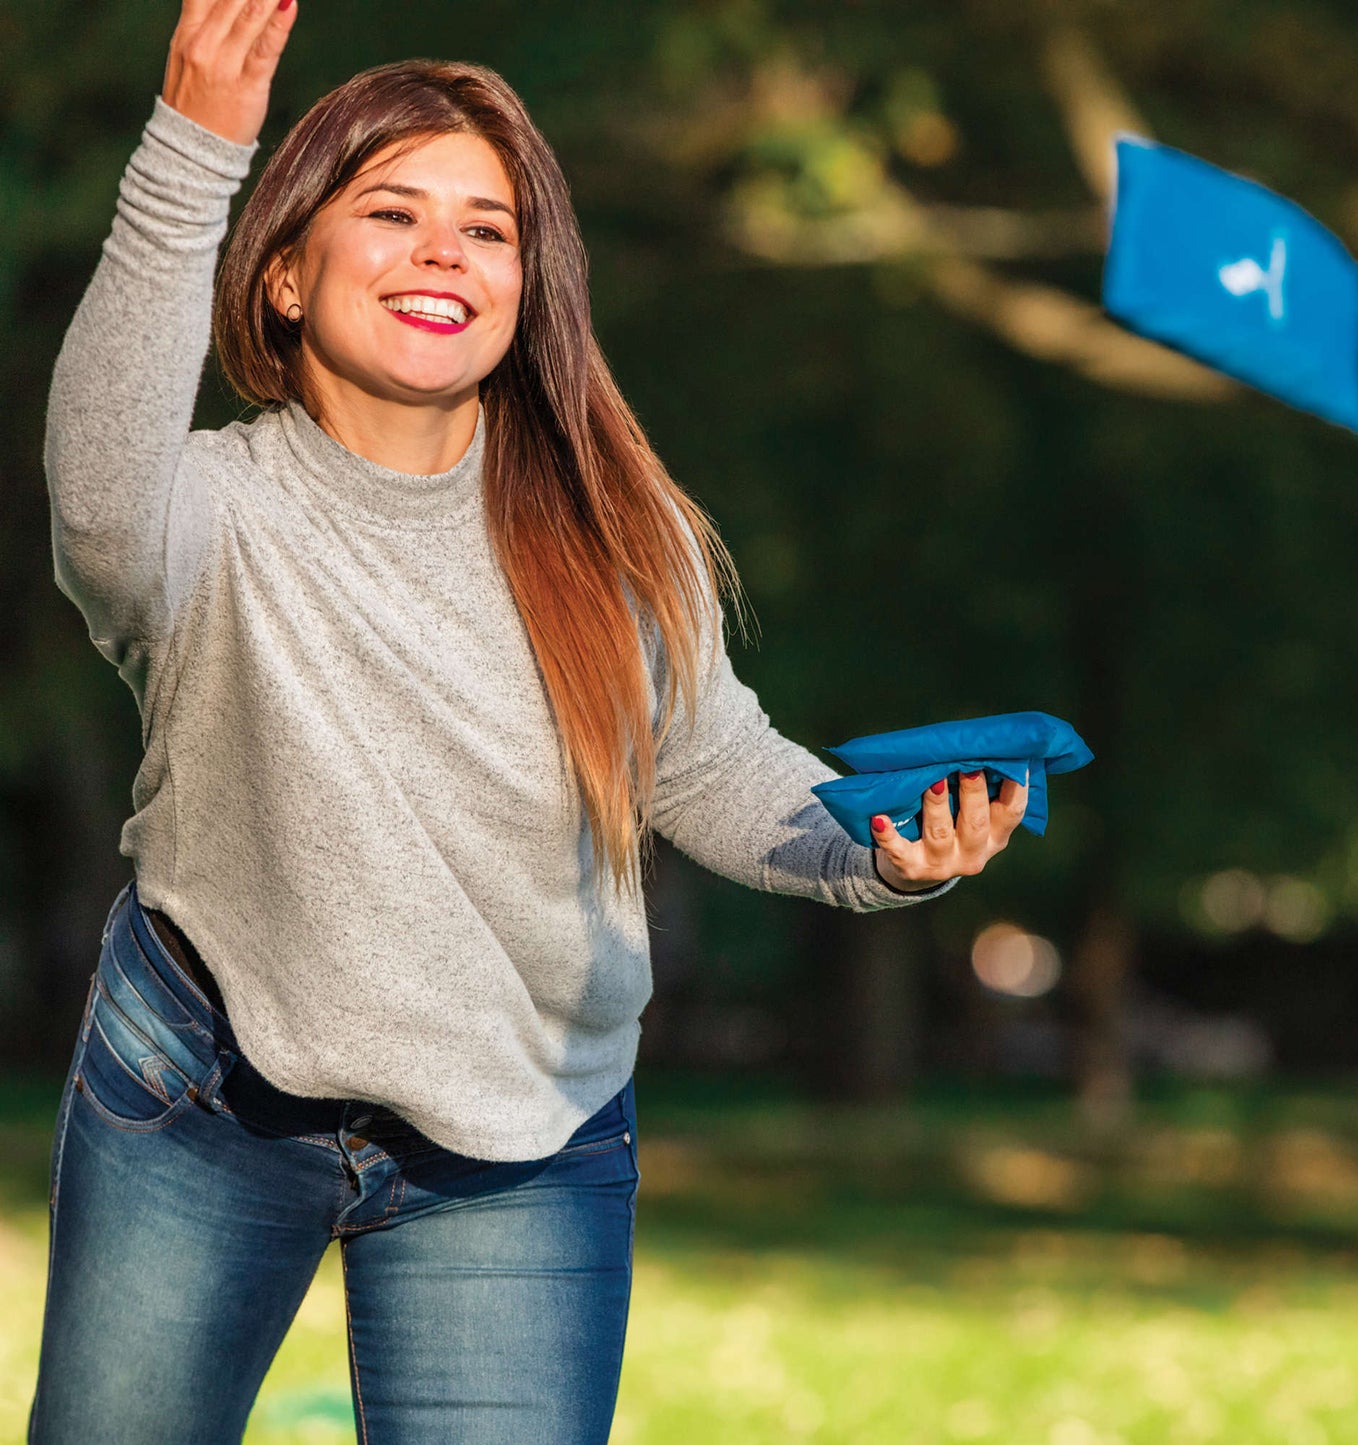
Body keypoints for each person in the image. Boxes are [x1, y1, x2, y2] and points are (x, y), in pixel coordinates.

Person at [29, 1, 1030, 1440]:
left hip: (522, 1134)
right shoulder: (204, 521)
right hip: (202, 1088)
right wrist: (194, 144)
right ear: (287, 277)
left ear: (525, 288)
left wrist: (873, 842)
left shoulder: (617, 533)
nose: (447, 249)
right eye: (392, 211)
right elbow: (94, 480)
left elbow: (712, 767)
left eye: (489, 229)